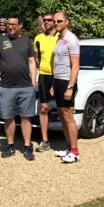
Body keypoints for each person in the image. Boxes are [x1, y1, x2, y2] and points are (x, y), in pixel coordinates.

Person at [0, 14, 37, 161]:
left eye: (13, 24)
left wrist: (34, 82)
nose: (10, 26)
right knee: (8, 118)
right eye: (8, 24)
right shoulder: (0, 41)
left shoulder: (26, 41)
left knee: (26, 118)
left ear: (20, 25)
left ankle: (27, 146)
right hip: (6, 87)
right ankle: (10, 145)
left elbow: (31, 62)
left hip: (25, 86)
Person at [51, 12, 81, 163]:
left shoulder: (72, 40)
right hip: (57, 81)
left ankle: (75, 152)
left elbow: (75, 66)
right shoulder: (59, 38)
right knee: (62, 116)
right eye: (55, 21)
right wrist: (52, 84)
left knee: (68, 117)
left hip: (66, 82)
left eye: (59, 21)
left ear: (67, 22)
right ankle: (69, 147)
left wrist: (70, 86)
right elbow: (57, 62)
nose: (56, 23)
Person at [33, 12, 58, 152]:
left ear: (55, 22)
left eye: (50, 20)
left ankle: (68, 141)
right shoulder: (38, 38)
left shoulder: (61, 37)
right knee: (43, 108)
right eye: (45, 20)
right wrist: (41, 67)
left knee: (63, 109)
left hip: (59, 75)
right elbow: (36, 56)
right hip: (44, 75)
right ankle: (45, 140)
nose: (47, 22)